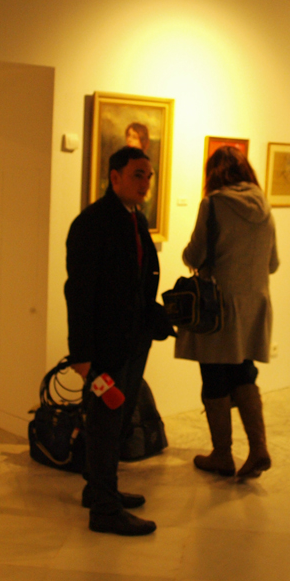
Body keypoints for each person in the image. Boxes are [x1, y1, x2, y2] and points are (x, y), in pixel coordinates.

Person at [64, 146, 173, 535]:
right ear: (114, 177)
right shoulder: (92, 223)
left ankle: (98, 490)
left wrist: (156, 318)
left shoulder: (135, 219)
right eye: (137, 175)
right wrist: (81, 354)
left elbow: (138, 282)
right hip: (106, 345)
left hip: (132, 340)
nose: (145, 183)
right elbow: (79, 292)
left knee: (118, 420)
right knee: (105, 424)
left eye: (149, 176)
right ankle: (105, 511)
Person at [175, 146, 279, 478]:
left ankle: (222, 454)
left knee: (214, 378)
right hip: (254, 306)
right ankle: (259, 448)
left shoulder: (214, 204)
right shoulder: (264, 206)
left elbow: (194, 255)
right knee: (244, 372)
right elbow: (273, 263)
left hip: (217, 307)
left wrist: (188, 255)